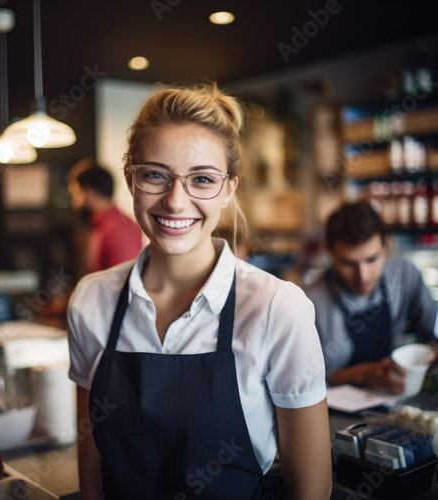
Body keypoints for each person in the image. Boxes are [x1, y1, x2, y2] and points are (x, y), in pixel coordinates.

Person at [67, 82, 332, 500]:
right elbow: (92, 451)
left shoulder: (277, 307)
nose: (175, 201)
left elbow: (312, 490)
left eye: (202, 179)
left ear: (228, 190)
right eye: (155, 175)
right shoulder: (90, 300)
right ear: (130, 180)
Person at [305, 200, 438, 394]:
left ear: (386, 245)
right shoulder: (310, 301)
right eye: (349, 263)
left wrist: (430, 354)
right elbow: (313, 377)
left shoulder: (404, 275)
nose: (363, 276)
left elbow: (432, 334)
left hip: (397, 401)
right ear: (329, 250)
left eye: (372, 259)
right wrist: (366, 374)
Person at [67, 158, 143, 273]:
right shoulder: (101, 226)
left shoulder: (120, 229)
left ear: (89, 193)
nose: (74, 202)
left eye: (75, 194)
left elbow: (124, 282)